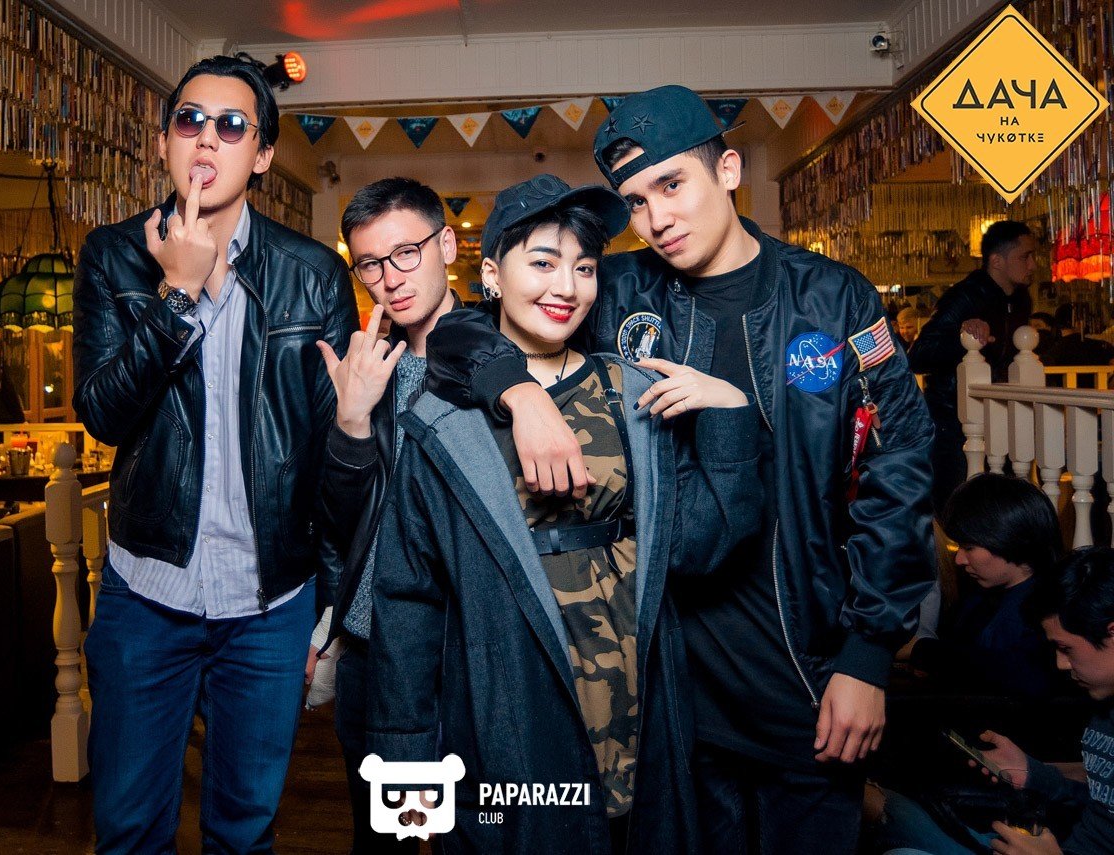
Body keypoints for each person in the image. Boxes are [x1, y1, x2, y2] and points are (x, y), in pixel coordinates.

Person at [424, 85, 935, 854]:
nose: (656, 216)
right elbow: (465, 326)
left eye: (671, 184)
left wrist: (868, 655)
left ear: (727, 170)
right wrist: (517, 389)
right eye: (636, 200)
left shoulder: (830, 300)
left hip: (804, 673)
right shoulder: (618, 290)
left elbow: (902, 472)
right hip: (666, 688)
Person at [366, 175, 763, 853]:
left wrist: (730, 415)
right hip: (507, 706)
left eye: (583, 268)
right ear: (492, 274)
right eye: (543, 263)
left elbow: (699, 548)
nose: (567, 287)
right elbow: (407, 599)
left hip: (635, 699)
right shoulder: (443, 418)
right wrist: (407, 780)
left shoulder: (633, 394)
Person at [71, 54, 357, 852]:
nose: (207, 138)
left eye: (233, 126)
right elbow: (103, 414)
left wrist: (329, 609)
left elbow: (335, 454)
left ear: (262, 155)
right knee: (129, 830)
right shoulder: (113, 254)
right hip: (145, 593)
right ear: (163, 141)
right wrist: (176, 295)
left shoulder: (313, 274)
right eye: (189, 120)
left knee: (244, 831)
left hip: (270, 605)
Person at [314, 177, 461, 855]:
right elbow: (342, 525)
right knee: (381, 840)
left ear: (447, 245)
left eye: (406, 253)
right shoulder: (362, 365)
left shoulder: (502, 357)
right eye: (370, 263)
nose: (390, 278)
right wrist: (351, 419)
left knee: (477, 834)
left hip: (463, 650)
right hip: (372, 649)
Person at [872, 547, 1114, 855]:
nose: (1061, 663)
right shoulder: (1103, 702)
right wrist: (1032, 772)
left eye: (1066, 649)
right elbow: (1100, 794)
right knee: (880, 807)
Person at [907, 221, 1036, 510]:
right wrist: (962, 337)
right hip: (952, 420)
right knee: (956, 502)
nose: (1032, 264)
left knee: (1001, 502)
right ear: (996, 260)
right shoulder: (966, 295)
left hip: (999, 415)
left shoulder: (1021, 299)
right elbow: (919, 356)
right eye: (1025, 256)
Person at [910, 473, 1063, 699]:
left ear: (1008, 537)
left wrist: (923, 651)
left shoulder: (1050, 608)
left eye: (969, 547)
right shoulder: (980, 598)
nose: (959, 559)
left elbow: (1018, 674)